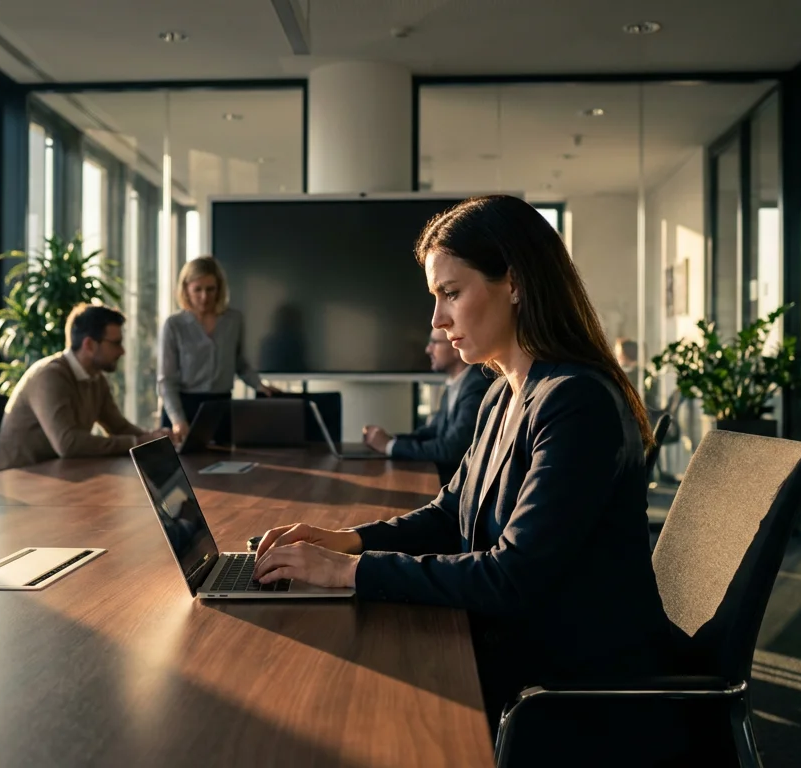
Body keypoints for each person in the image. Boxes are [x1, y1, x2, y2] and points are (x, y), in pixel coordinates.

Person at [252, 195, 673, 749]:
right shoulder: (503, 392)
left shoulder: (576, 403)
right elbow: (452, 511)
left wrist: (345, 572)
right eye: (435, 297)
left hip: (563, 687)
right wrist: (346, 542)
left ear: (515, 282)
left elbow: (512, 577)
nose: (436, 319)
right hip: (513, 649)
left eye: (451, 293)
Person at [0, 304, 169, 472]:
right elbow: (68, 444)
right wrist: (136, 441)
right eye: (116, 343)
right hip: (16, 484)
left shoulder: (95, 378)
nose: (122, 351)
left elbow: (119, 427)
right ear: (89, 345)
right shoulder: (49, 376)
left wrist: (155, 440)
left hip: (57, 475)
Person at [157, 256, 279, 442]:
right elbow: (166, 380)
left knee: (223, 465)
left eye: (210, 289)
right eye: (197, 290)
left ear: (219, 289)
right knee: (185, 467)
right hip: (184, 407)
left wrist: (258, 385)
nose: (204, 297)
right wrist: (178, 419)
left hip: (220, 407)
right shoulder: (174, 325)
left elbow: (239, 362)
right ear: (186, 289)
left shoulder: (233, 320)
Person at [360, 329, 491, 484]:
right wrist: (391, 439)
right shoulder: (456, 384)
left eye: (435, 342)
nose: (428, 349)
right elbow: (435, 432)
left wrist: (390, 446)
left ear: (457, 347)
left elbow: (453, 449)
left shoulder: (477, 387)